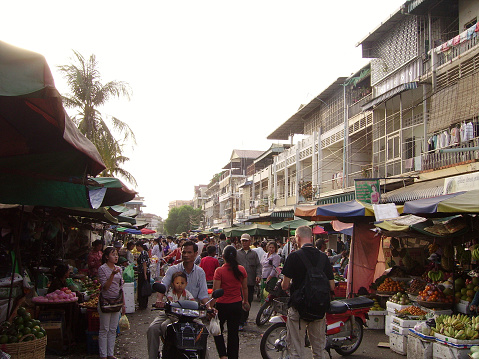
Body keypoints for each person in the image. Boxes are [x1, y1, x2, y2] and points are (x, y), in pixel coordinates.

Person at [147, 240, 210, 359]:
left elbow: (203, 295)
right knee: (153, 329)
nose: (185, 255)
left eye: (189, 252)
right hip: (172, 313)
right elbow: (163, 287)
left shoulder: (200, 272)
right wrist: (159, 300)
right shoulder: (172, 269)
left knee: (203, 332)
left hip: (192, 315)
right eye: (184, 252)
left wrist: (209, 307)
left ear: (196, 253)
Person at [281, 226, 335, 359]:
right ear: (311, 238)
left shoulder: (293, 256)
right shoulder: (323, 257)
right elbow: (332, 286)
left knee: (295, 351)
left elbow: (285, 285)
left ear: (297, 238)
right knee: (318, 350)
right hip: (319, 308)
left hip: (298, 309)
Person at [211, 245, 249, 359]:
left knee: (218, 330)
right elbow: (245, 288)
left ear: (223, 257)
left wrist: (210, 306)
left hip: (222, 305)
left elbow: (216, 291)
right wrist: (245, 301)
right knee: (233, 333)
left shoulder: (219, 271)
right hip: (236, 304)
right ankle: (233, 356)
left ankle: (223, 354)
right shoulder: (241, 269)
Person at [98, 246, 125, 359]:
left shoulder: (119, 268)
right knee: (104, 329)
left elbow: (121, 287)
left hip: (117, 301)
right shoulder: (102, 269)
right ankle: (103, 355)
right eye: (113, 254)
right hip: (106, 301)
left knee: (113, 329)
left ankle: (110, 354)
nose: (116, 256)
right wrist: (112, 274)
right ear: (106, 256)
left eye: (117, 254)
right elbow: (105, 287)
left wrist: (123, 304)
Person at [158, 271, 196, 336]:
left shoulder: (187, 293)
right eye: (177, 283)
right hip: (173, 316)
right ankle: (167, 341)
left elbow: (193, 301)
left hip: (186, 317)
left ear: (186, 284)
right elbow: (169, 299)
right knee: (164, 325)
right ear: (173, 284)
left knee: (200, 325)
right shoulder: (171, 293)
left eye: (182, 283)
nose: (180, 285)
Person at [236, 233, 261, 330]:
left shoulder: (254, 254)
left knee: (248, 301)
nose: (244, 242)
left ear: (250, 241)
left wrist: (258, 275)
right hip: (239, 282)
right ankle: (240, 321)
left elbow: (258, 265)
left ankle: (244, 318)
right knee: (239, 301)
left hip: (250, 282)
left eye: (246, 241)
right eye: (243, 241)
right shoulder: (237, 253)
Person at [136, 241, 150, 310]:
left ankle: (143, 304)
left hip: (143, 272)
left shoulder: (143, 253)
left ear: (139, 246)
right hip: (143, 272)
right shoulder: (144, 252)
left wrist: (145, 274)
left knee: (143, 288)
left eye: (136, 247)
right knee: (143, 287)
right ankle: (142, 303)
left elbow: (144, 264)